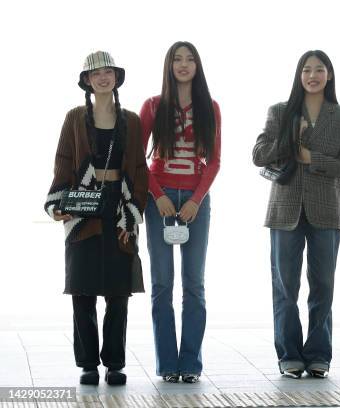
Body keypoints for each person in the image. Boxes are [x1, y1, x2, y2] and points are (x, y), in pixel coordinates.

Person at [44, 51, 148, 386]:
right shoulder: (74, 117)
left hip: (119, 210)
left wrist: (134, 209)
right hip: (82, 211)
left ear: (116, 78)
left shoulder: (131, 120)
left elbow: (140, 169)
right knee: (82, 291)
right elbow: (62, 161)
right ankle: (88, 363)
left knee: (118, 293)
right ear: (86, 81)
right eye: (96, 74)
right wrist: (56, 202)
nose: (103, 78)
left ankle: (115, 362)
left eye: (109, 73)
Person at [253, 50, 340, 379]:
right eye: (307, 70)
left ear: (329, 75)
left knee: (323, 285)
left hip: (326, 211)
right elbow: (258, 154)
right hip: (284, 211)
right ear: (299, 76)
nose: (313, 75)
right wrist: (288, 143)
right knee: (285, 287)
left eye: (319, 69)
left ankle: (318, 355)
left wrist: (312, 157)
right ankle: (289, 355)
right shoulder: (280, 112)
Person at [140, 41, 221, 384]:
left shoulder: (210, 107)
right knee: (161, 284)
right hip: (158, 200)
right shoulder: (153, 105)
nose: (184, 64)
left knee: (194, 286)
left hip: (194, 202)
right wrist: (157, 195)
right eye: (177, 59)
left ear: (197, 66)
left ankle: (190, 363)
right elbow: (136, 156)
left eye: (190, 59)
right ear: (169, 65)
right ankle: (167, 364)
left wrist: (196, 200)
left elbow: (214, 161)